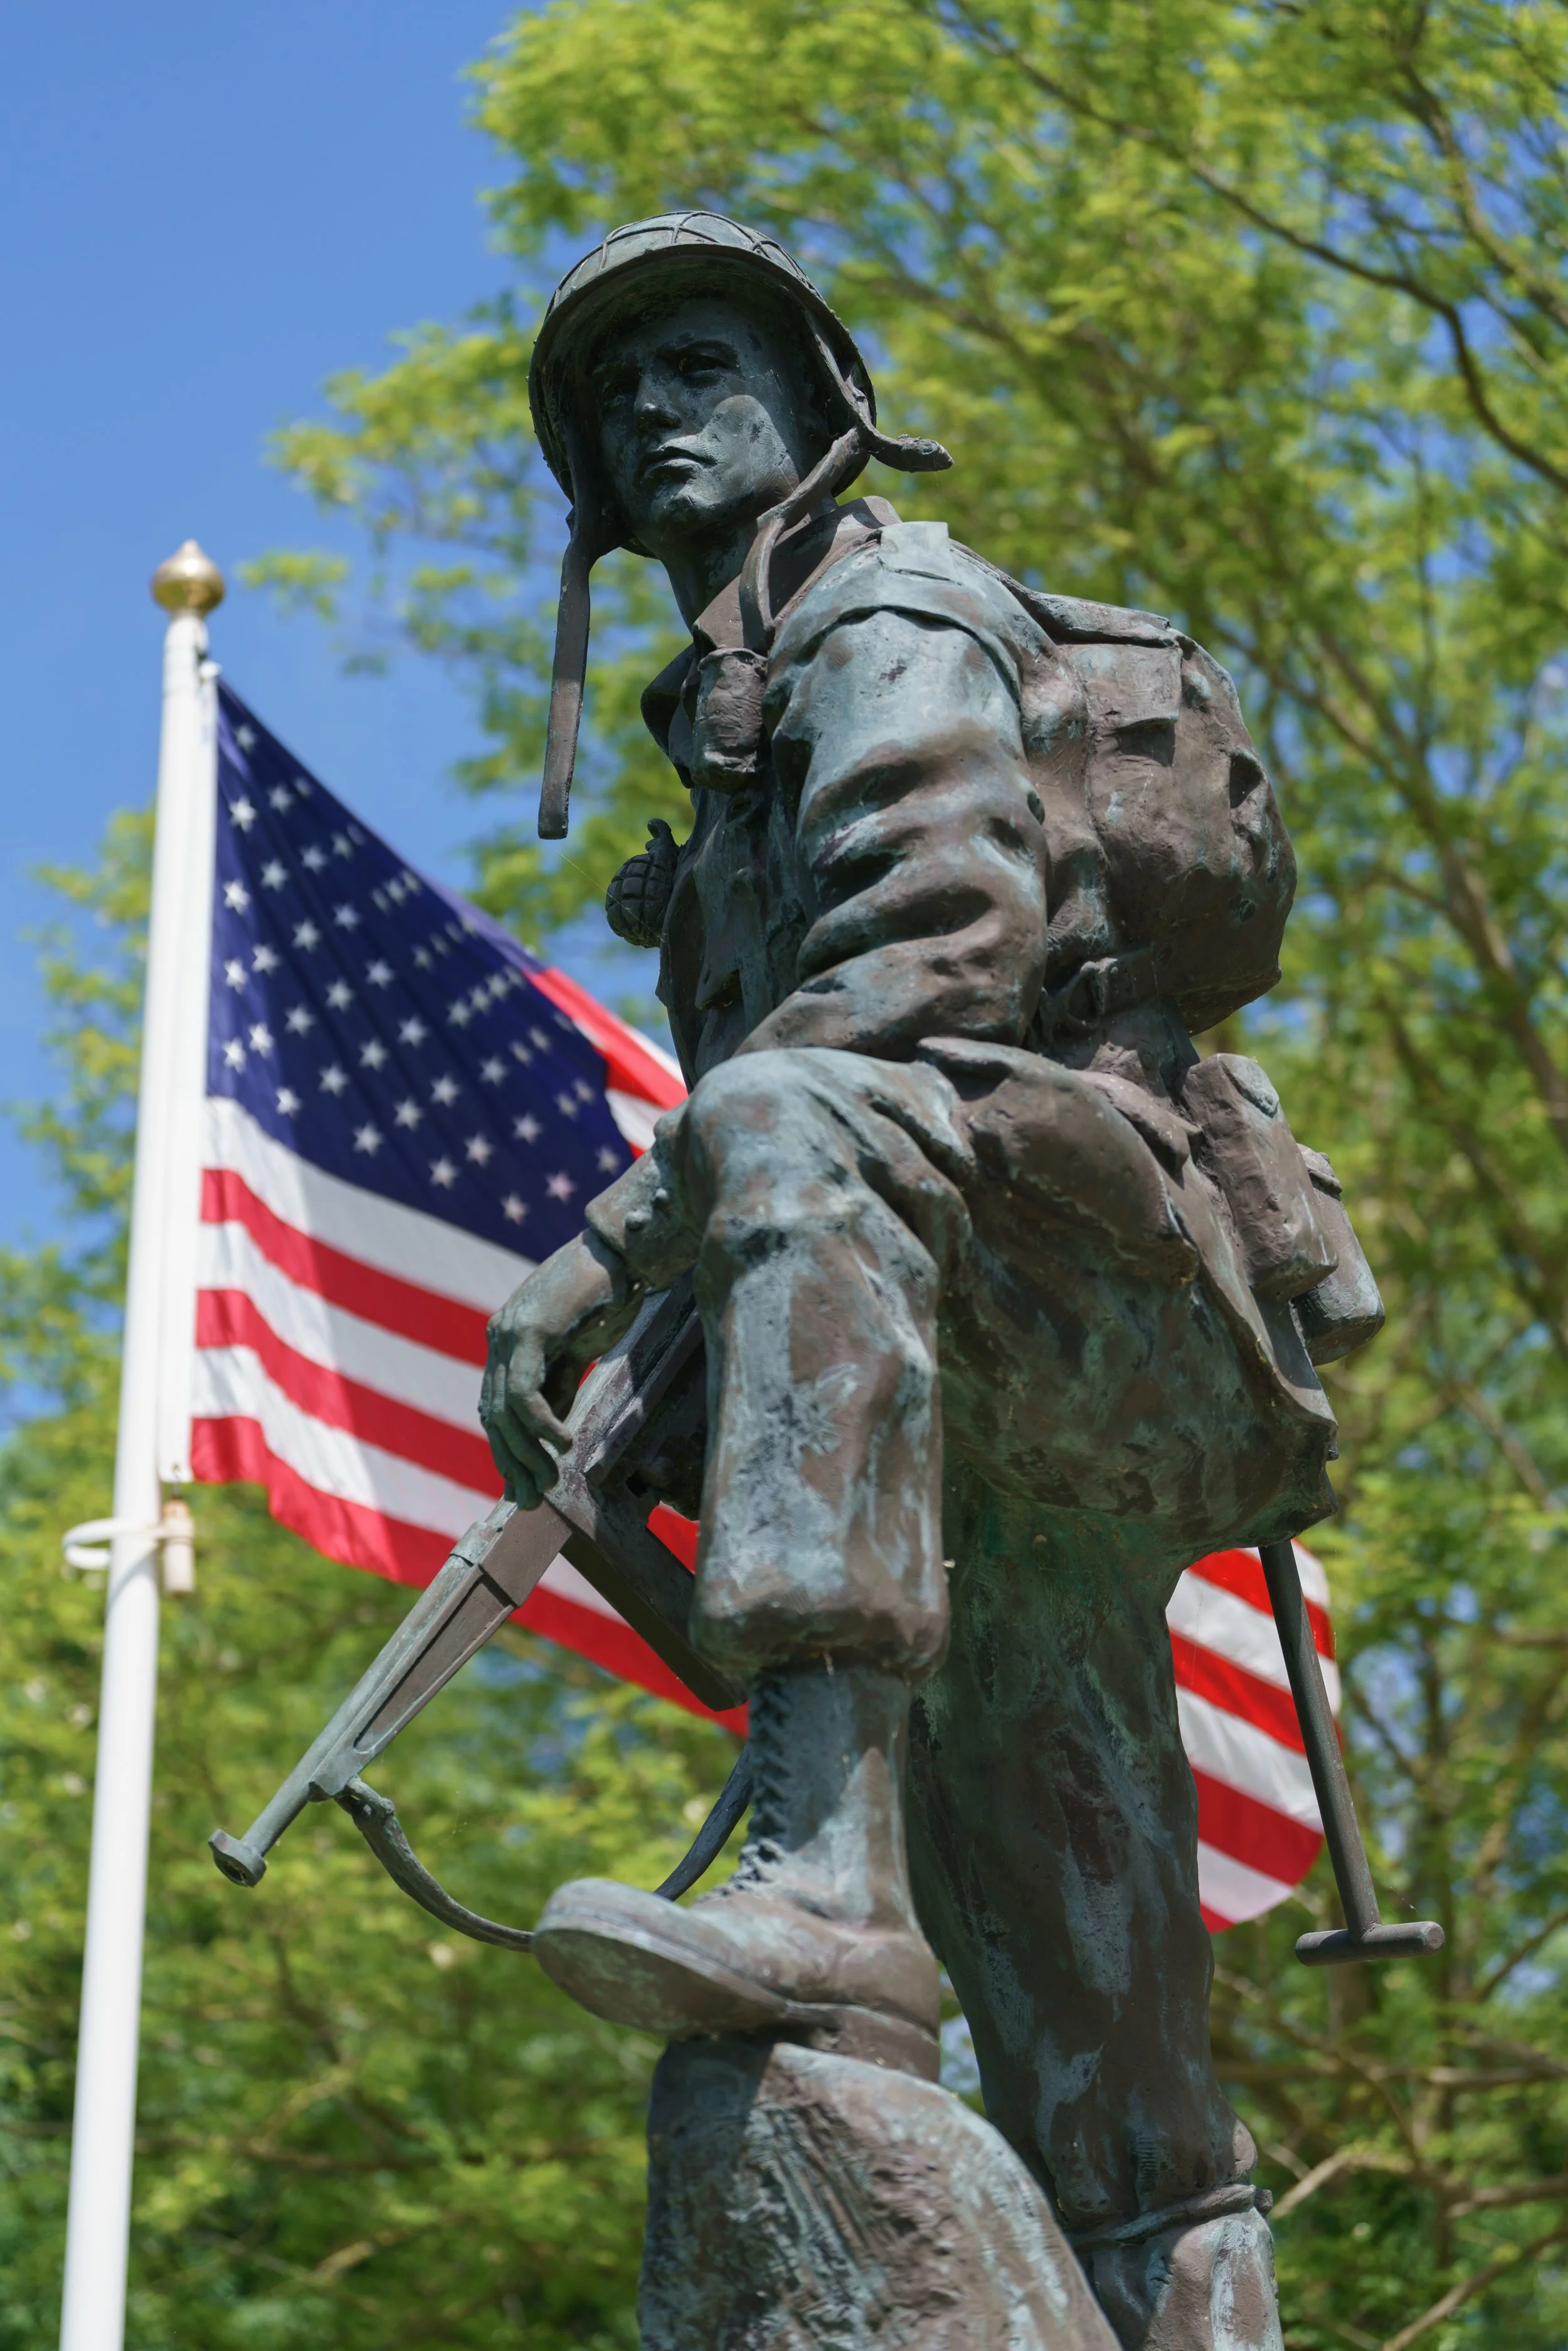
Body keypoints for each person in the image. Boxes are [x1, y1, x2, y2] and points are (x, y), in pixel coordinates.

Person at [479, 213, 1376, 2350]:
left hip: (1086, 1285)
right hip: (989, 1365)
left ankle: (827, 1887)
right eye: (617, 397)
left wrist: (612, 1246)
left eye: (697, 364)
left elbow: (935, 952)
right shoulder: (715, 726)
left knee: (776, 1125)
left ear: (816, 407)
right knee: (1104, 2063)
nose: (650, 411)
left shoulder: (883, 607)